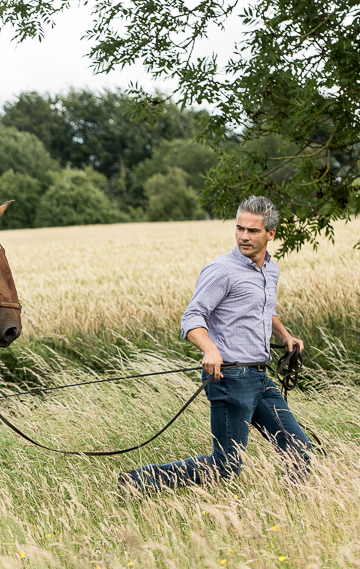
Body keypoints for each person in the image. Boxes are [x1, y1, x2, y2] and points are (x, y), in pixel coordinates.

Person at [120, 196, 312, 493]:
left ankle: (296, 509)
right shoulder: (221, 270)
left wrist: (285, 336)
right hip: (230, 378)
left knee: (299, 448)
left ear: (271, 234)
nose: (244, 236)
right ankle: (138, 482)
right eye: (240, 228)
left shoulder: (270, 271)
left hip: (260, 377)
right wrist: (209, 348)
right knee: (227, 465)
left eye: (253, 231)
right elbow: (191, 317)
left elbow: (264, 309)